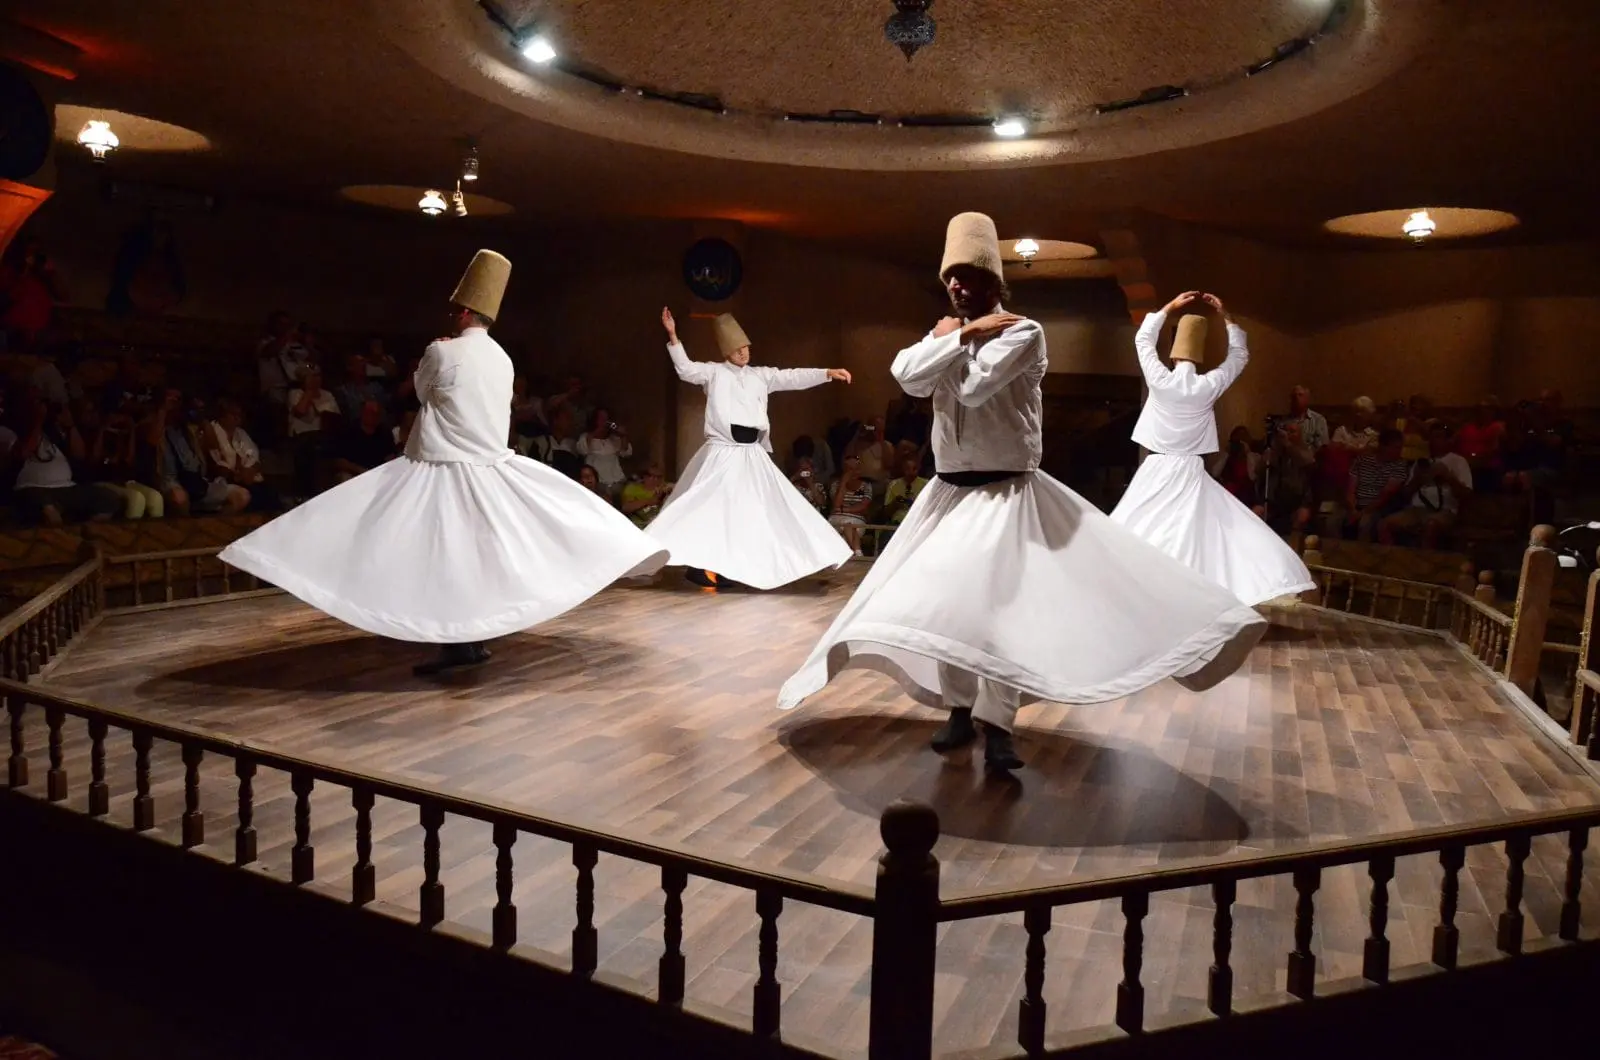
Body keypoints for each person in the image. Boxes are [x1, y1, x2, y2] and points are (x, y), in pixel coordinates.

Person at [778, 212, 1266, 774]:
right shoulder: (950, 333)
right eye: (950, 279)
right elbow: (905, 376)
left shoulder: (1024, 331)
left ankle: (999, 726)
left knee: (1000, 613)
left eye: (967, 276)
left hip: (1005, 493)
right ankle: (959, 712)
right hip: (949, 493)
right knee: (954, 609)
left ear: (993, 281)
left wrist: (949, 346)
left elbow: (976, 387)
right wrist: (957, 336)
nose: (958, 287)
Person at [219, 250, 667, 677]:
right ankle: (470, 637)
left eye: (457, 310)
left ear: (465, 313)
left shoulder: (444, 351)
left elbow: (420, 392)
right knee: (474, 554)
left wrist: (433, 355)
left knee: (438, 553)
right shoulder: (503, 358)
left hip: (444, 467)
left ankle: (459, 640)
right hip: (487, 467)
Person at [1110, 291, 1314, 606]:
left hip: (1158, 466)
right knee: (1191, 531)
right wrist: (1227, 318)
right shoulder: (1208, 385)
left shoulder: (1161, 381)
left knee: (1142, 526)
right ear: (1198, 356)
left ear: (1175, 355)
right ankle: (1180, 595)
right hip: (1189, 468)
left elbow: (1143, 342)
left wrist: (1168, 308)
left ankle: (1147, 594)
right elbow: (1239, 357)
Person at [647, 307, 854, 590]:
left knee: (756, 508)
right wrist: (673, 335)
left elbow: (792, 377)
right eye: (737, 348)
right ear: (726, 352)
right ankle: (700, 565)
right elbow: (685, 369)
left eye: (746, 347)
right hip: (724, 451)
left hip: (751, 453)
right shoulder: (714, 373)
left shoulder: (761, 375)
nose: (743, 352)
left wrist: (826, 373)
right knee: (713, 507)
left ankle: (740, 563)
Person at [1380, 424, 1472, 548]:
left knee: (1431, 525)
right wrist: (1417, 479)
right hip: (1416, 509)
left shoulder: (1458, 461)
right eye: (1431, 437)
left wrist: (1448, 477)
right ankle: (1394, 562)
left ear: (1448, 441)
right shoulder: (1421, 462)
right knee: (1384, 524)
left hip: (1444, 511)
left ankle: (1424, 563)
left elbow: (1466, 494)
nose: (1433, 441)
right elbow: (1406, 494)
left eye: (1438, 437)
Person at [1344, 428, 1411, 541]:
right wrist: (1353, 509)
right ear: (1383, 446)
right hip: (1354, 505)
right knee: (1332, 520)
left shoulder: (1399, 466)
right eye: (1396, 448)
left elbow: (1384, 496)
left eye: (1400, 448)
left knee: (1364, 524)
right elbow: (1351, 488)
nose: (1399, 451)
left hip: (1377, 509)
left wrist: (1362, 513)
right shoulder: (1363, 460)